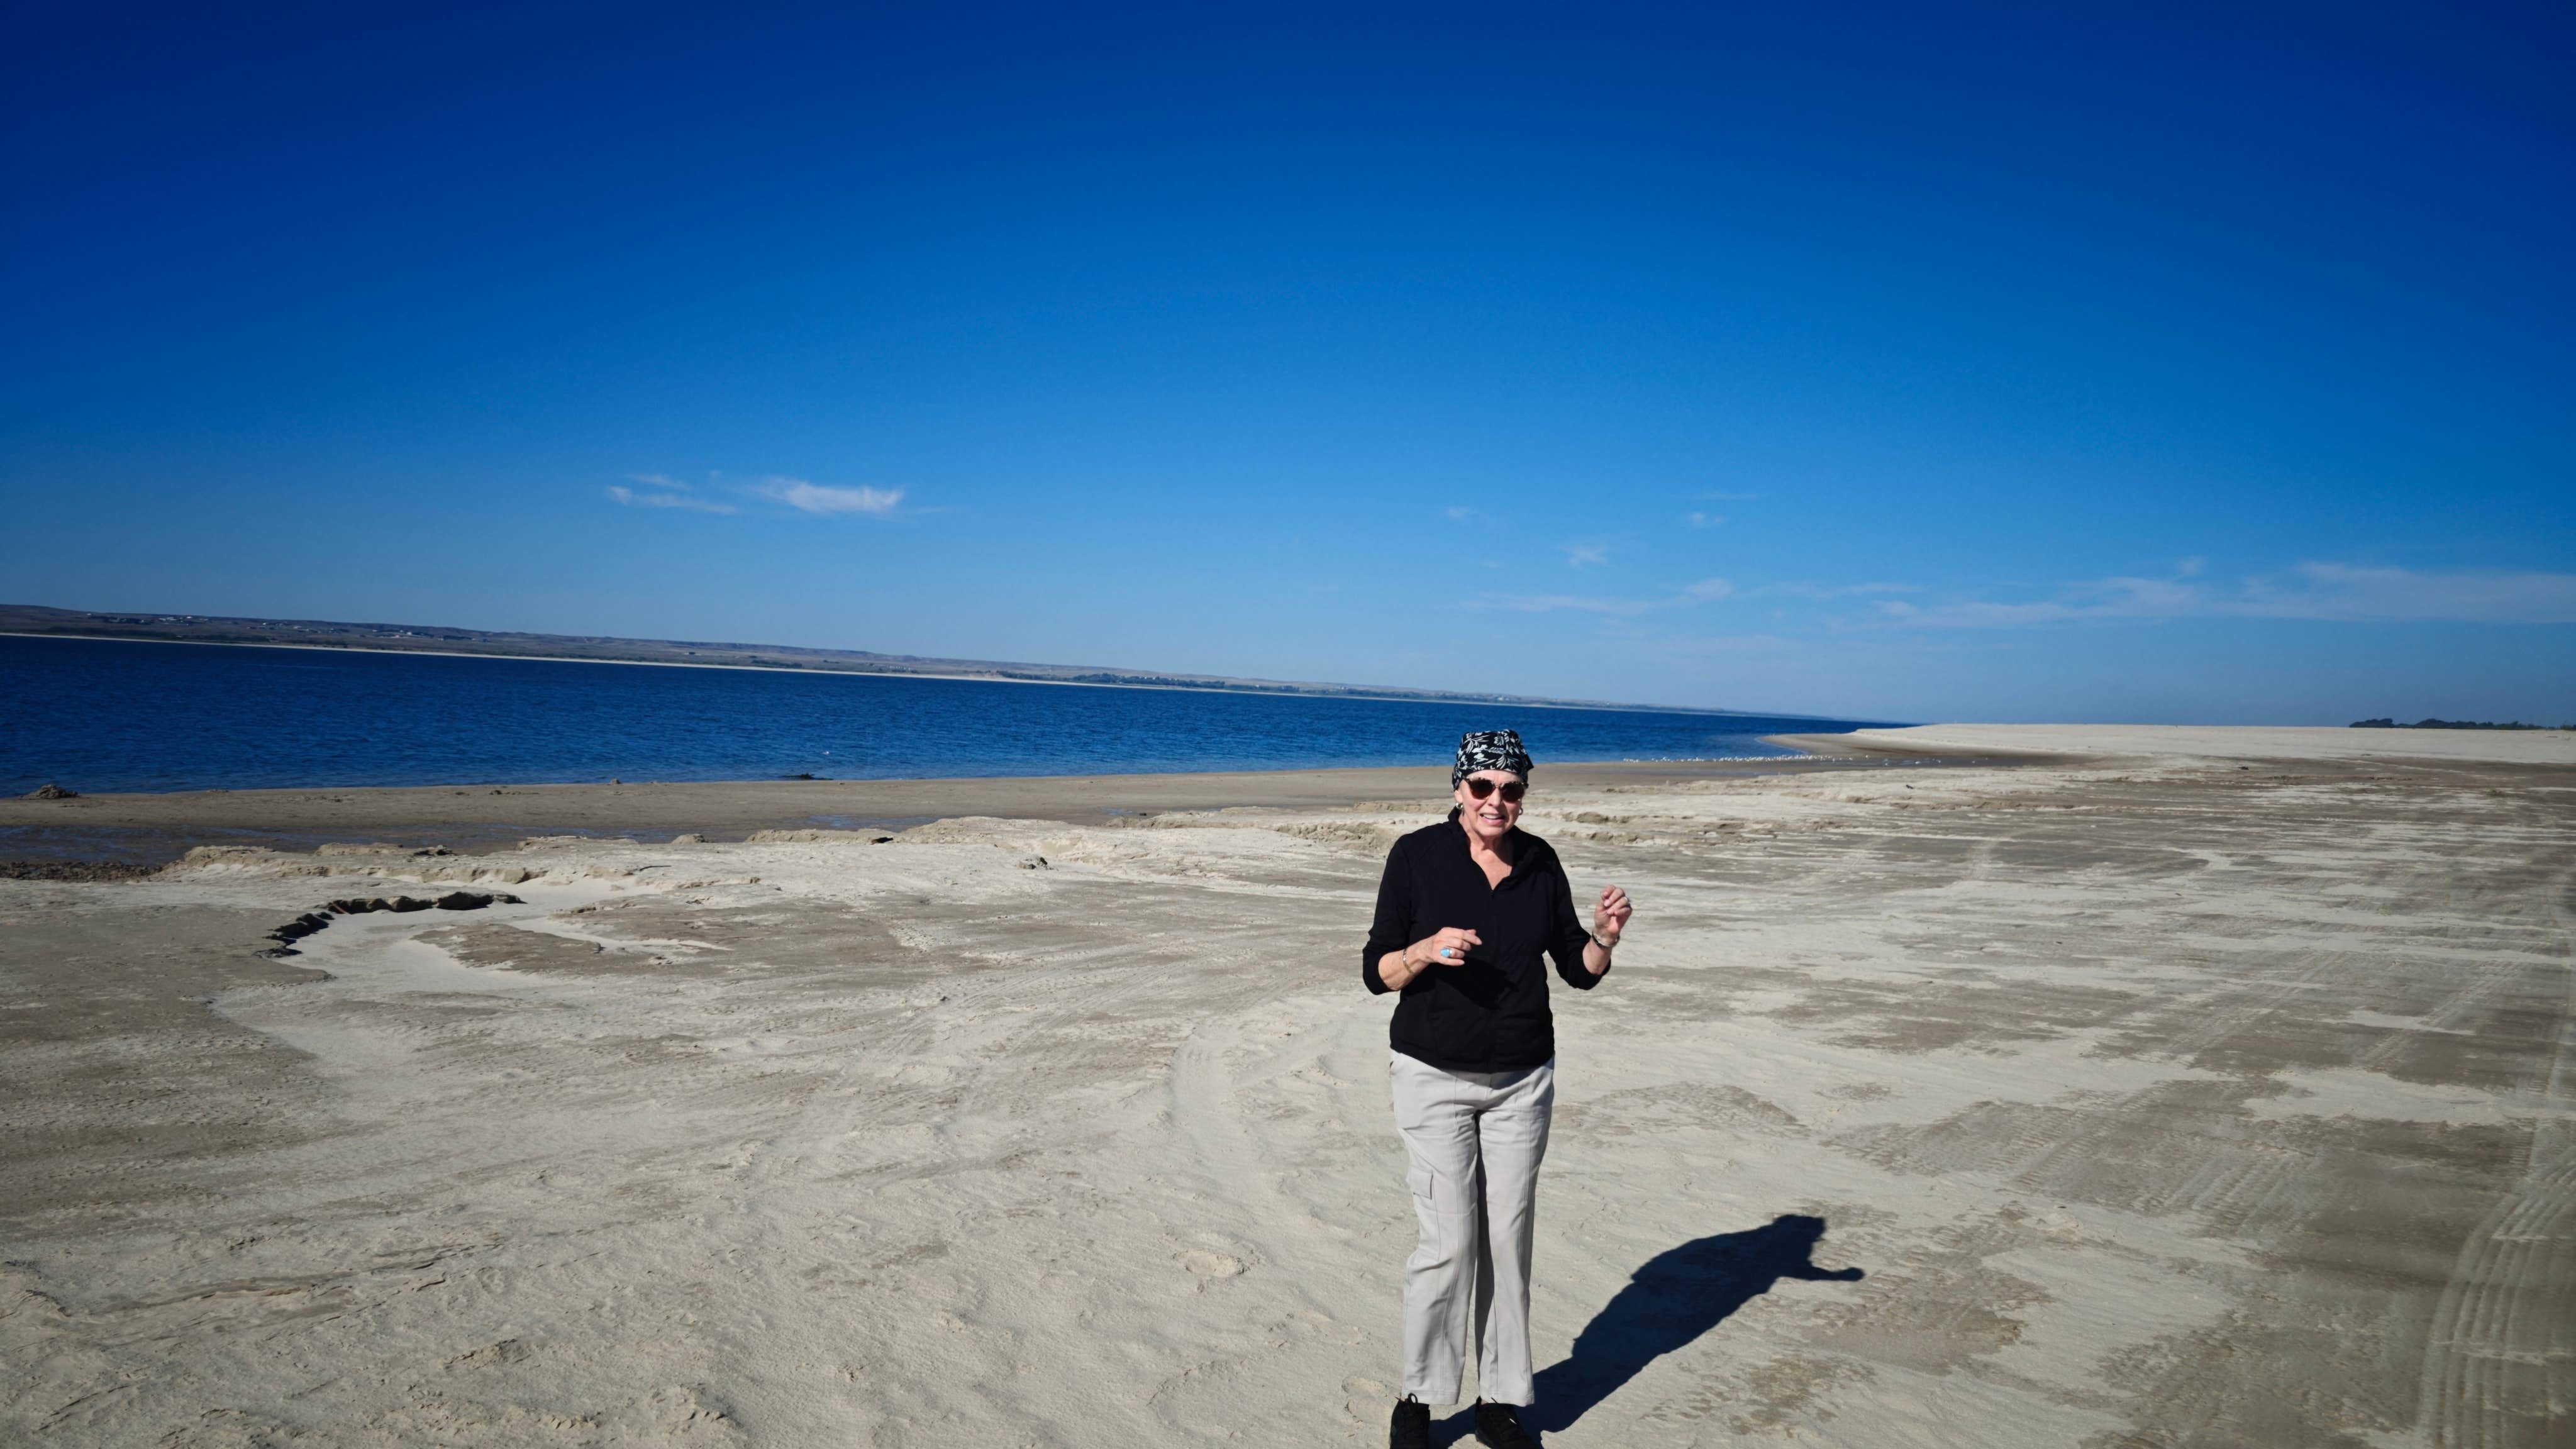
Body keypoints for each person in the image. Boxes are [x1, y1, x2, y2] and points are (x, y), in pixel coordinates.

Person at [1363, 730, 1632, 1449]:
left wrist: (1604, 936)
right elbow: (1375, 970)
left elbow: (1576, 969)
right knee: (1447, 1243)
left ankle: (1499, 1402)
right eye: (1482, 787)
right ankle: (1419, 1397)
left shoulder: (1539, 862)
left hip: (1522, 1080)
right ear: (1457, 788)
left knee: (1508, 1241)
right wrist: (1422, 950)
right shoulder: (1416, 856)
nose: (1496, 802)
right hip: (1432, 1077)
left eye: (1510, 789)